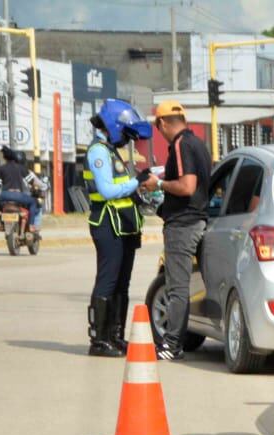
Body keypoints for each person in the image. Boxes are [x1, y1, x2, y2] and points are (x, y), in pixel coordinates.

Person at [140, 101, 211, 360]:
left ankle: (171, 344)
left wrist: (158, 183)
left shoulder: (181, 145)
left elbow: (187, 186)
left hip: (183, 224)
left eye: (158, 127)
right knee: (183, 286)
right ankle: (176, 341)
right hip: (195, 220)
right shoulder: (198, 144)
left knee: (177, 287)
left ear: (162, 123)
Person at [82, 99, 152, 358]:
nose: (126, 140)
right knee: (108, 281)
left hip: (123, 225)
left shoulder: (111, 150)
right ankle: (99, 341)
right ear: (113, 127)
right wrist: (137, 181)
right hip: (107, 223)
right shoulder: (98, 152)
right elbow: (107, 190)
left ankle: (116, 336)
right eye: (125, 134)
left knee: (122, 283)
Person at [0, 145, 42, 233]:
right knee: (33, 202)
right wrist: (37, 186)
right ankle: (31, 225)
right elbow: (31, 182)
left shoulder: (1, 168)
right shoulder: (21, 168)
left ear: (4, 158)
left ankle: (2, 224)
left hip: (5, 195)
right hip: (18, 196)